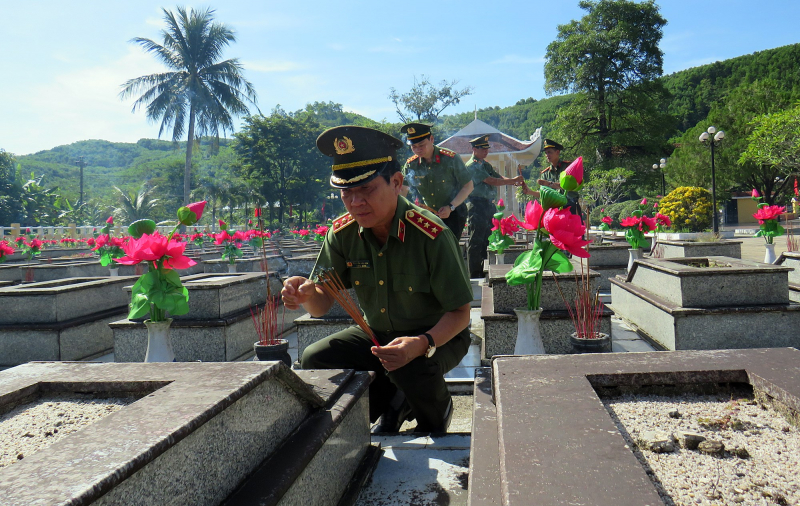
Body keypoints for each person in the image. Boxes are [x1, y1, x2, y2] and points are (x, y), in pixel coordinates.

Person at [282, 125, 473, 434]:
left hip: (438, 335)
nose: (355, 202)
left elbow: (461, 314)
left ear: (396, 182)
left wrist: (420, 343)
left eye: (367, 190)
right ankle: (387, 401)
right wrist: (305, 293)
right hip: (376, 335)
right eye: (346, 192)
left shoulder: (431, 234)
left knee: (412, 367)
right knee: (314, 357)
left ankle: (437, 410)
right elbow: (320, 304)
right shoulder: (342, 233)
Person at [400, 122, 474, 238]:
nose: (418, 150)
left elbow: (468, 186)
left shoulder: (451, 159)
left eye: (421, 145)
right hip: (427, 215)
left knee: (449, 252)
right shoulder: (411, 165)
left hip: (453, 213)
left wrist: (451, 206)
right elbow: (403, 190)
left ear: (432, 139)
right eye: (414, 147)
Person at [465, 134, 524, 278]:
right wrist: (512, 181)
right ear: (474, 149)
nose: (486, 151)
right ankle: (474, 273)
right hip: (476, 204)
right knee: (476, 240)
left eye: (486, 148)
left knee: (488, 238)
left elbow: (498, 176)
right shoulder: (472, 165)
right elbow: (491, 181)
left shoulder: (484, 164)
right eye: (482, 148)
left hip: (487, 205)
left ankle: (486, 269)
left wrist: (512, 180)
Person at [522, 138, 584, 220]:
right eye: (546, 153)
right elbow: (544, 194)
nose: (547, 155)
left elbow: (570, 186)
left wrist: (549, 184)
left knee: (574, 232)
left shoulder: (568, 167)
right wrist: (530, 192)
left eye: (550, 152)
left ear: (557, 152)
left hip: (570, 207)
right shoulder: (545, 173)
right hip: (555, 210)